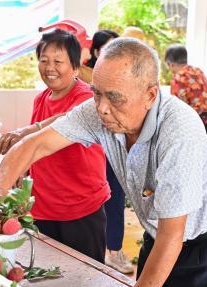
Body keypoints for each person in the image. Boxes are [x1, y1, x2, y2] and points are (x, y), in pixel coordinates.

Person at [0, 38, 207, 287]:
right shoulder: (100, 110)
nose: (102, 108)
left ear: (150, 95)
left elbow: (173, 234)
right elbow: (36, 144)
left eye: (114, 98)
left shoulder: (179, 132)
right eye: (96, 93)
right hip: (158, 233)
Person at [0, 29, 110, 263]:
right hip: (43, 208)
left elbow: (67, 119)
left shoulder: (86, 98)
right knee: (48, 275)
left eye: (58, 61)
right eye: (44, 60)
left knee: (85, 278)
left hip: (81, 210)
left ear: (75, 67)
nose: (49, 67)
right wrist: (20, 174)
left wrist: (27, 131)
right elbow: (35, 148)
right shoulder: (41, 98)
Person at [83, 29, 133, 274]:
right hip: (90, 151)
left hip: (115, 146)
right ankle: (96, 250)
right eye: (107, 50)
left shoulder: (124, 80)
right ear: (94, 53)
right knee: (94, 201)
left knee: (116, 197)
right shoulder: (84, 79)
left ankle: (114, 249)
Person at [165, 45, 207, 149]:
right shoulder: (198, 71)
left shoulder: (178, 78)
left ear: (170, 64)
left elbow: (177, 108)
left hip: (195, 124)